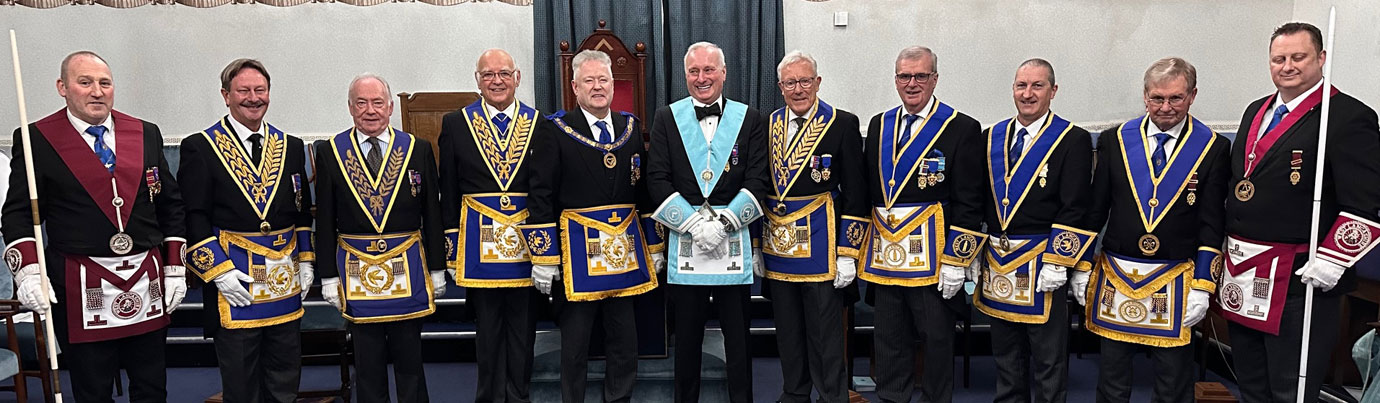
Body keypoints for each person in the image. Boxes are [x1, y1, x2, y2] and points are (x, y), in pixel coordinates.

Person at [2, 50, 186, 403]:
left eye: (104, 83)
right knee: (93, 389)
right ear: (63, 87)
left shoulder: (145, 132)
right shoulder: (37, 139)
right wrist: (27, 272)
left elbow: (170, 205)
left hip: (146, 280)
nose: (97, 91)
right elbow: (17, 213)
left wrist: (175, 267)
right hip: (80, 281)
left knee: (151, 386)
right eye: (84, 82)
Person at [1220, 22, 1380, 403]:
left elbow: (1367, 202)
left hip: (1300, 279)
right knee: (1251, 382)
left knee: (1289, 388)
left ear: (1321, 58)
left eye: (1298, 57)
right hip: (1243, 271)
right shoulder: (1255, 110)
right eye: (1279, 59)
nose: (1287, 66)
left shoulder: (1347, 116)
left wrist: (1333, 260)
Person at [1082, 57, 1229, 403]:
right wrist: (1081, 266)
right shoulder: (1114, 140)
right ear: (1145, 96)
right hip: (1117, 274)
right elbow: (1095, 210)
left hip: (1176, 277)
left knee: (1173, 383)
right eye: (1157, 98)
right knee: (1113, 381)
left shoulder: (1213, 147)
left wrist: (1203, 288)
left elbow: (1212, 223)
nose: (1165, 107)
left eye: (1175, 98)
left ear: (1192, 96)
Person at [522, 49, 659, 403]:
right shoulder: (555, 130)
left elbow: (641, 191)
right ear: (574, 86)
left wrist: (653, 245)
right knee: (576, 346)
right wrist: (544, 255)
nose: (597, 87)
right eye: (589, 81)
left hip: (623, 256)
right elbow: (540, 195)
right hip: (576, 256)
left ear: (614, 85)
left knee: (624, 341)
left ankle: (619, 398)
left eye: (604, 80)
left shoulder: (630, 129)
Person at [180, 58, 314, 403]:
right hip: (234, 281)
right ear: (226, 95)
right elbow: (193, 216)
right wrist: (218, 273)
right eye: (243, 91)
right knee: (241, 383)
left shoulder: (292, 146)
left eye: (260, 90)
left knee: (285, 376)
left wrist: (307, 260)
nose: (253, 98)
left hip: (284, 282)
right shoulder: (201, 146)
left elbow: (300, 211)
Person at [861, 46, 985, 403]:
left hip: (934, 262)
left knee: (936, 340)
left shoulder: (961, 127)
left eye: (920, 76)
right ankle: (891, 397)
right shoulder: (879, 124)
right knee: (888, 340)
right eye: (904, 76)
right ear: (895, 79)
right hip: (886, 257)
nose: (911, 84)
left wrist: (957, 261)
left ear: (935, 79)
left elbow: (969, 201)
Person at [647, 41, 768, 403]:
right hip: (686, 240)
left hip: (733, 238)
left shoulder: (750, 118)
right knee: (686, 337)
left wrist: (724, 223)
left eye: (709, 70)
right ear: (685, 75)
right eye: (694, 71)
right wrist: (694, 225)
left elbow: (758, 179)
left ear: (724, 73)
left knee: (738, 336)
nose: (702, 78)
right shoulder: (667, 117)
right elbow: (656, 178)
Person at [314, 73, 446, 403]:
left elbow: (432, 211)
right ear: (350, 108)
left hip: (408, 267)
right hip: (356, 271)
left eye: (377, 103)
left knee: (410, 362)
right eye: (361, 103)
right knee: (368, 364)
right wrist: (328, 276)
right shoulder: (331, 152)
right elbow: (326, 218)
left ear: (390, 107)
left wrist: (438, 268)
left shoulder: (417, 148)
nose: (370, 110)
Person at [974, 58, 1096, 403]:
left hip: (1044, 264)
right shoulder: (992, 137)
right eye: (1021, 86)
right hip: (998, 261)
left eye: (1037, 86)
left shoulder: (1071, 139)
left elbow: (1075, 207)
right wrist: (970, 251)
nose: (1027, 94)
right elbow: (980, 200)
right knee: (1006, 358)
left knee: (1048, 361)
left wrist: (1061, 261)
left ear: (1053, 91)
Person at [758, 49, 866, 403]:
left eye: (805, 81)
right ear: (780, 86)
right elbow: (760, 187)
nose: (799, 89)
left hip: (823, 244)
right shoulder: (767, 123)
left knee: (825, 332)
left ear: (818, 82)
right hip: (778, 245)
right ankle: (795, 391)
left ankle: (833, 395)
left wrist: (848, 252)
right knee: (787, 328)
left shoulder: (842, 123)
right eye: (791, 82)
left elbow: (856, 193)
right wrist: (757, 244)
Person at [438, 48, 540, 403]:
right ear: (477, 80)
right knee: (487, 331)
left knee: (523, 331)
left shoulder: (539, 122)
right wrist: (451, 248)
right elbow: (447, 189)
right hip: (477, 247)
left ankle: (519, 396)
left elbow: (545, 190)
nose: (496, 81)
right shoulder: (456, 123)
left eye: (503, 73)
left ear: (517, 78)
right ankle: (490, 398)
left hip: (526, 248)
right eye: (487, 75)